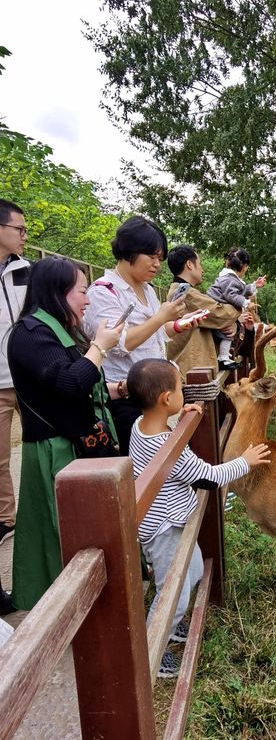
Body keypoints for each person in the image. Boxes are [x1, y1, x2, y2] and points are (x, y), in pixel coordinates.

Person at [126, 357, 271, 678]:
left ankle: (170, 629)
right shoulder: (168, 447)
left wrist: (178, 417)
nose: (185, 395)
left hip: (169, 524)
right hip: (164, 532)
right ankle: (153, 652)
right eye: (181, 389)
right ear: (166, 399)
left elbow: (163, 428)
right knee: (171, 598)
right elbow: (207, 476)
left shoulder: (141, 426)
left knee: (191, 573)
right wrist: (246, 461)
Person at [7, 257, 123, 610]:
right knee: (63, 537)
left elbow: (82, 387)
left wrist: (120, 389)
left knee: (86, 534)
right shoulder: (31, 334)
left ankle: (92, 606)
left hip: (80, 445)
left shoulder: (62, 329)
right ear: (57, 291)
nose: (87, 301)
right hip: (54, 450)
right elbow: (71, 384)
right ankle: (67, 612)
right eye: (82, 291)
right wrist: (100, 347)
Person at [84, 216, 203, 456]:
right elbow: (119, 343)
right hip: (125, 395)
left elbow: (154, 333)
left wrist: (179, 325)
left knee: (163, 461)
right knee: (138, 467)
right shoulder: (103, 292)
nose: (157, 264)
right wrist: (160, 317)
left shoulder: (147, 290)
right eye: (151, 256)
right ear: (128, 251)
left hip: (153, 394)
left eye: (159, 258)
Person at [166, 245, 243, 379]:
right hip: (193, 371)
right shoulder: (186, 294)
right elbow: (221, 314)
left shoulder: (183, 291)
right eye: (200, 264)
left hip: (195, 368)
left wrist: (234, 324)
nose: (202, 269)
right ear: (190, 264)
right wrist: (240, 304)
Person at [0, 198, 30, 547]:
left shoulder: (28, 271)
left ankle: (48, 509)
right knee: (1, 458)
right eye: (18, 229)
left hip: (28, 378)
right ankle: (6, 520)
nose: (24, 235)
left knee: (46, 446)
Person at [206, 248, 266, 370]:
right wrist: (245, 303)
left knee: (229, 334)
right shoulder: (229, 279)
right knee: (227, 334)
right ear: (244, 266)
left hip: (220, 312)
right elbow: (232, 295)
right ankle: (223, 358)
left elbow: (241, 290)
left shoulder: (229, 278)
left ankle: (224, 355)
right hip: (219, 314)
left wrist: (255, 285)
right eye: (247, 266)